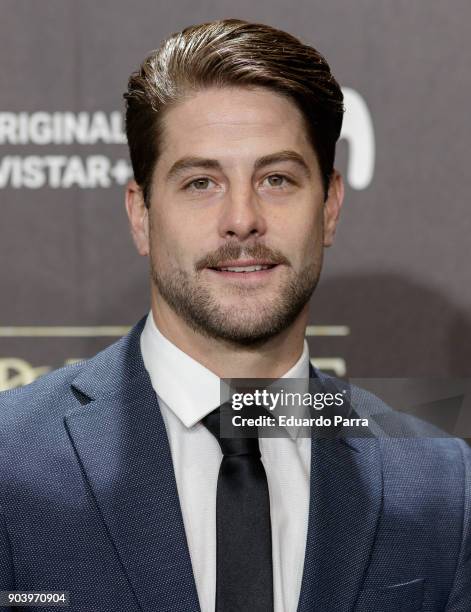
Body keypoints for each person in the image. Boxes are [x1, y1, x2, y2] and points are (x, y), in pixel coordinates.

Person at [0, 19, 470, 612]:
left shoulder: (443, 488)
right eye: (201, 183)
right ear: (141, 214)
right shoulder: (8, 458)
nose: (242, 218)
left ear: (329, 207)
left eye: (277, 179)